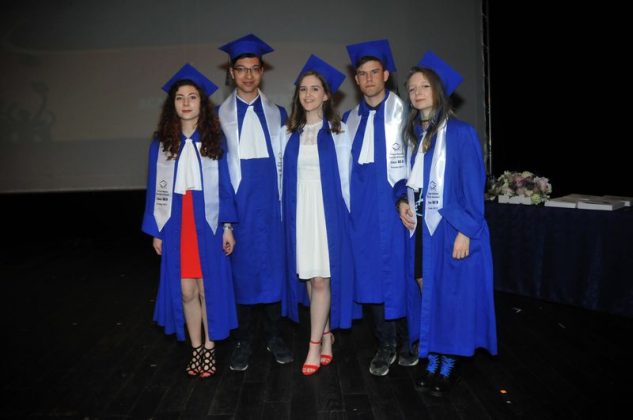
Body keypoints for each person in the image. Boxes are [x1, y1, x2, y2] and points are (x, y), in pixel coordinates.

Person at [395, 51, 498, 397]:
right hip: (421, 228)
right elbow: (408, 181)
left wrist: (466, 230)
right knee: (427, 288)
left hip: (451, 226)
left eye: (425, 86)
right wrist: (401, 202)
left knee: (450, 294)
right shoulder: (414, 135)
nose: (417, 93)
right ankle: (435, 353)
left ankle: (448, 359)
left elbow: (472, 186)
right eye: (412, 88)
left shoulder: (461, 133)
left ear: (439, 90)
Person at [142, 63, 238, 378]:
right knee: (185, 289)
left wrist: (227, 226)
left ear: (202, 103)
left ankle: (210, 347)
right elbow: (154, 187)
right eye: (180, 97)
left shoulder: (215, 141)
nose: (186, 103)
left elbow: (224, 186)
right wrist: (156, 231)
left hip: (207, 219)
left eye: (192, 97)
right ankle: (195, 347)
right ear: (172, 104)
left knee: (207, 287)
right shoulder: (161, 144)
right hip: (175, 220)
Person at [217, 34, 293, 371]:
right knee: (242, 276)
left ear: (262, 72)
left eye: (254, 69)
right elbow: (218, 174)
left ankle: (275, 336)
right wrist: (227, 221)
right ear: (232, 73)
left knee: (274, 272)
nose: (248, 75)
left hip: (273, 211)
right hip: (240, 211)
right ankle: (244, 341)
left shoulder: (279, 115)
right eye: (241, 69)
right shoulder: (219, 118)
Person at [343, 39, 419, 376]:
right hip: (361, 213)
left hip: (396, 208)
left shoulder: (405, 115)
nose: (369, 79)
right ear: (356, 80)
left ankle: (409, 339)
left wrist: (405, 199)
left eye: (375, 72)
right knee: (371, 276)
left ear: (386, 75)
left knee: (401, 273)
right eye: (362, 74)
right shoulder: (349, 120)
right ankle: (385, 343)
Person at [282, 54, 359, 376]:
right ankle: (326, 335)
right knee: (309, 279)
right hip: (300, 211)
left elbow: (347, 179)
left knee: (320, 279)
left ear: (326, 95)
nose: (308, 94)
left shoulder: (339, 132)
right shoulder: (288, 133)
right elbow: (281, 177)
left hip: (327, 213)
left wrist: (348, 220)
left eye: (315, 89)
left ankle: (313, 345)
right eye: (303, 89)